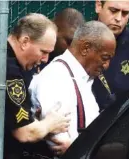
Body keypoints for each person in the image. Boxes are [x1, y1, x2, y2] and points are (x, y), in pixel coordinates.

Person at [29, 21, 116, 156]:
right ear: (85, 48)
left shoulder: (83, 79)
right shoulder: (56, 77)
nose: (106, 65)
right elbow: (59, 143)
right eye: (104, 58)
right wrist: (81, 149)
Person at [4, 13, 70, 159]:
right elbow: (26, 133)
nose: (45, 59)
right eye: (43, 52)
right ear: (25, 41)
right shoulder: (9, 70)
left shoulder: (4, 60)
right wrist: (51, 123)